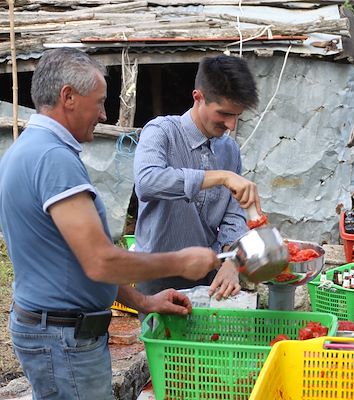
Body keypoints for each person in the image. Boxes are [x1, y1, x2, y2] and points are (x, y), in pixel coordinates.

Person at [0, 48, 221, 400]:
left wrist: (143, 301)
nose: (104, 114)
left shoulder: (28, 149)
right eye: (100, 102)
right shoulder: (51, 158)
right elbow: (101, 260)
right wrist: (181, 261)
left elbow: (77, 260)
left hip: (57, 331)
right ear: (68, 97)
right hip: (65, 339)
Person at [133, 55, 260, 305]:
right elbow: (147, 181)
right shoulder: (161, 132)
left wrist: (232, 260)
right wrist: (220, 177)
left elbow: (233, 215)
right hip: (157, 274)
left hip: (208, 276)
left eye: (237, 116)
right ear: (198, 97)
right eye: (224, 113)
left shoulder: (229, 150)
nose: (231, 125)